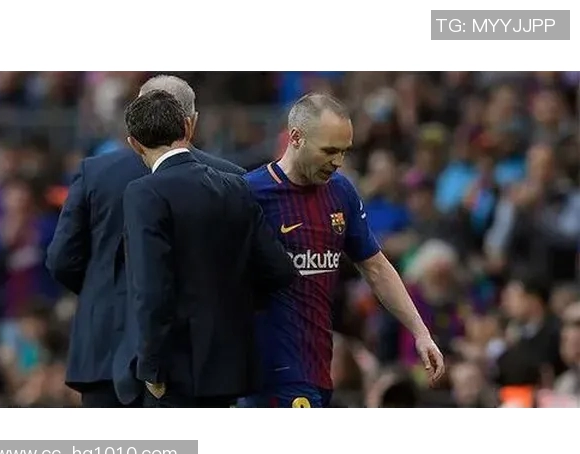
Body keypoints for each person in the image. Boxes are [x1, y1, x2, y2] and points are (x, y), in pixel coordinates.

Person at [45, 75, 245, 408]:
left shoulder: (95, 172)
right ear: (191, 122)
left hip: (105, 352)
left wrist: (104, 287)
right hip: (196, 358)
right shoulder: (231, 179)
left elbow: (62, 260)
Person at [241, 93, 445, 408]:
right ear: (295, 138)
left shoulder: (341, 192)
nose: (338, 161)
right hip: (272, 370)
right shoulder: (251, 193)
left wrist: (421, 332)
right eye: (329, 151)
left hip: (319, 365)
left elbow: (376, 267)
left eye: (344, 151)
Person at [122, 90, 296, 408]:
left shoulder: (144, 193)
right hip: (232, 366)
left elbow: (152, 288)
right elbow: (278, 269)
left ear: (134, 144)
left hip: (176, 370)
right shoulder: (235, 185)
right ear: (187, 127)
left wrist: (152, 368)